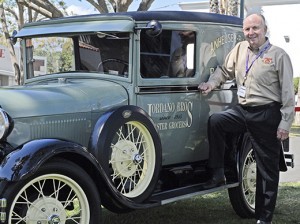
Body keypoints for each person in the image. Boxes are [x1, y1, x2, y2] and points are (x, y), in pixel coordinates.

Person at [198, 13, 295, 224]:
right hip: (243, 110)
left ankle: (264, 217)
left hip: (267, 114)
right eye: (247, 29)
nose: (251, 33)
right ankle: (218, 173)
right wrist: (211, 84)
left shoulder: (279, 55)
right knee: (216, 122)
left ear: (265, 29)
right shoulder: (240, 49)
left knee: (266, 169)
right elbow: (224, 71)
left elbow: (288, 94)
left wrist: (285, 124)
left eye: (255, 28)